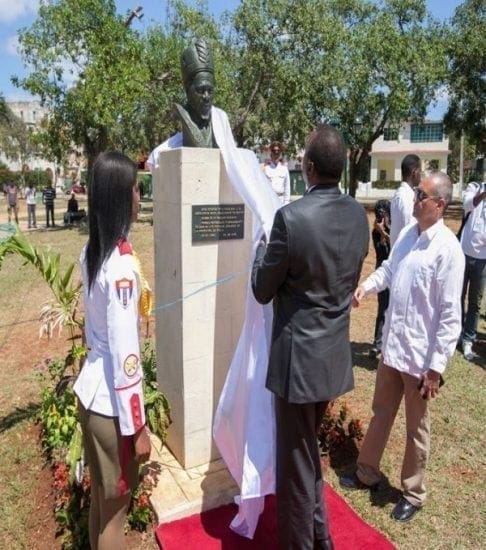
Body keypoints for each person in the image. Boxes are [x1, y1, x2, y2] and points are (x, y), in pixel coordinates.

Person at [251, 124, 369, 550]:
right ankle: (322, 539)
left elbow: (262, 290)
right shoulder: (358, 214)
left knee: (295, 469)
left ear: (310, 167)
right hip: (332, 358)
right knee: (306, 459)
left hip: (298, 366)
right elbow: (347, 274)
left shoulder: (291, 218)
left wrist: (262, 252)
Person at [340, 171, 465, 523]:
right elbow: (388, 270)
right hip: (393, 349)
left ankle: (413, 492)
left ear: (439, 205)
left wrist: (436, 368)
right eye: (415, 193)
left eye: (422, 196)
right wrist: (366, 287)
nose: (415, 200)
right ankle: (367, 471)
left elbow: (450, 315)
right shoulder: (409, 234)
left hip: (420, 360)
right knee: (381, 412)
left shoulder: (449, 252)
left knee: (416, 429)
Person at [73, 152, 151, 549]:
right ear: (123, 197)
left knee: (102, 507)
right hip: (112, 407)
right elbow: (126, 356)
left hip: (91, 392)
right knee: (116, 516)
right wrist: (137, 425)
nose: (140, 196)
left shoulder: (93, 252)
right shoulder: (120, 267)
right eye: (136, 188)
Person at [459, 181, 486, 361]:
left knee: (475, 301)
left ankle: (468, 338)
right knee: (456, 296)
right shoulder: (474, 187)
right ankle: (456, 332)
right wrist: (483, 194)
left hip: (483, 259)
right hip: (463, 254)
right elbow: (467, 205)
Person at [370, 199, 391, 358]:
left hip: (394, 272)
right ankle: (377, 343)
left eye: (383, 212)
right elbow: (381, 252)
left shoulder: (395, 231)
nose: (381, 216)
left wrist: (386, 232)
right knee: (382, 308)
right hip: (382, 273)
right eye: (379, 213)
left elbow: (394, 247)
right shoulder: (375, 232)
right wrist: (381, 233)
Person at [389, 154, 421, 247]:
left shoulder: (400, 193)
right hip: (404, 253)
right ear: (414, 172)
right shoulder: (406, 197)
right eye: (420, 171)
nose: (421, 175)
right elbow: (410, 230)